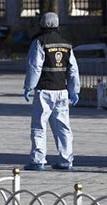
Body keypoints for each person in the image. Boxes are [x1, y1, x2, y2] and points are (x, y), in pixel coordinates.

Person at [23, 12, 80, 171]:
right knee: (63, 127)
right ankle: (66, 160)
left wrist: (29, 86)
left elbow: (35, 67)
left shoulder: (39, 42)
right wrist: (74, 90)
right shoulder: (66, 44)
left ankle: (38, 160)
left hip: (44, 90)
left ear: (41, 24)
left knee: (39, 126)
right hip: (62, 91)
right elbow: (73, 69)